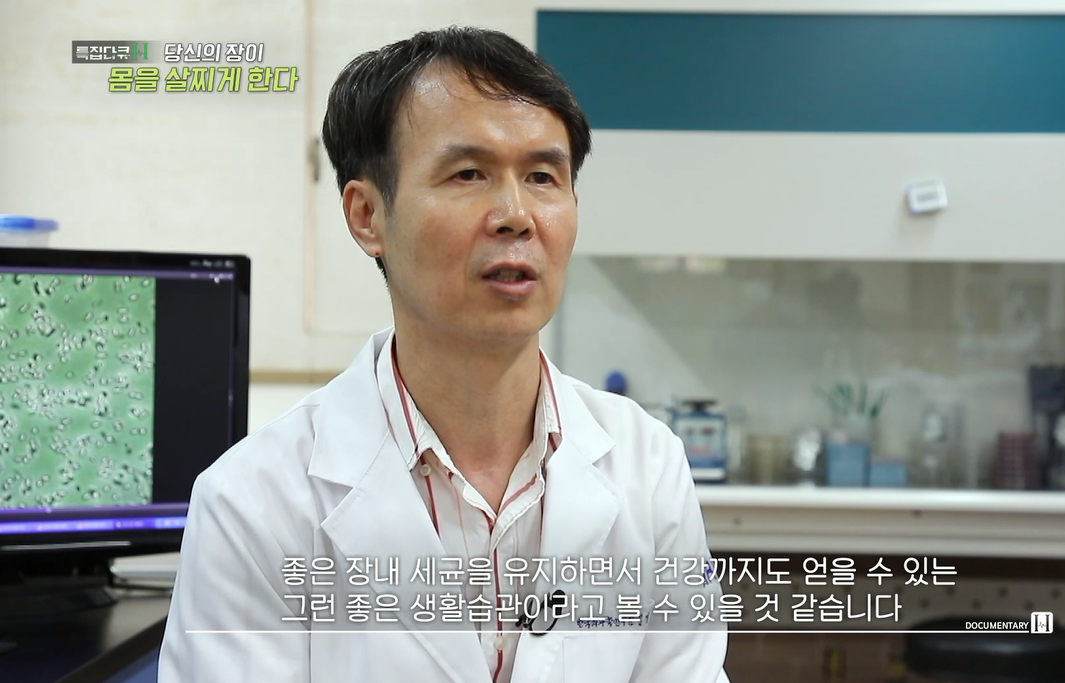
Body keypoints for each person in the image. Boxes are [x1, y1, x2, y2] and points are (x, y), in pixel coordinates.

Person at [159, 27, 729, 683]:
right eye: (468, 174)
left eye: (543, 176)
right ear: (367, 215)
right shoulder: (253, 502)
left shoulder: (646, 465)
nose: (516, 214)